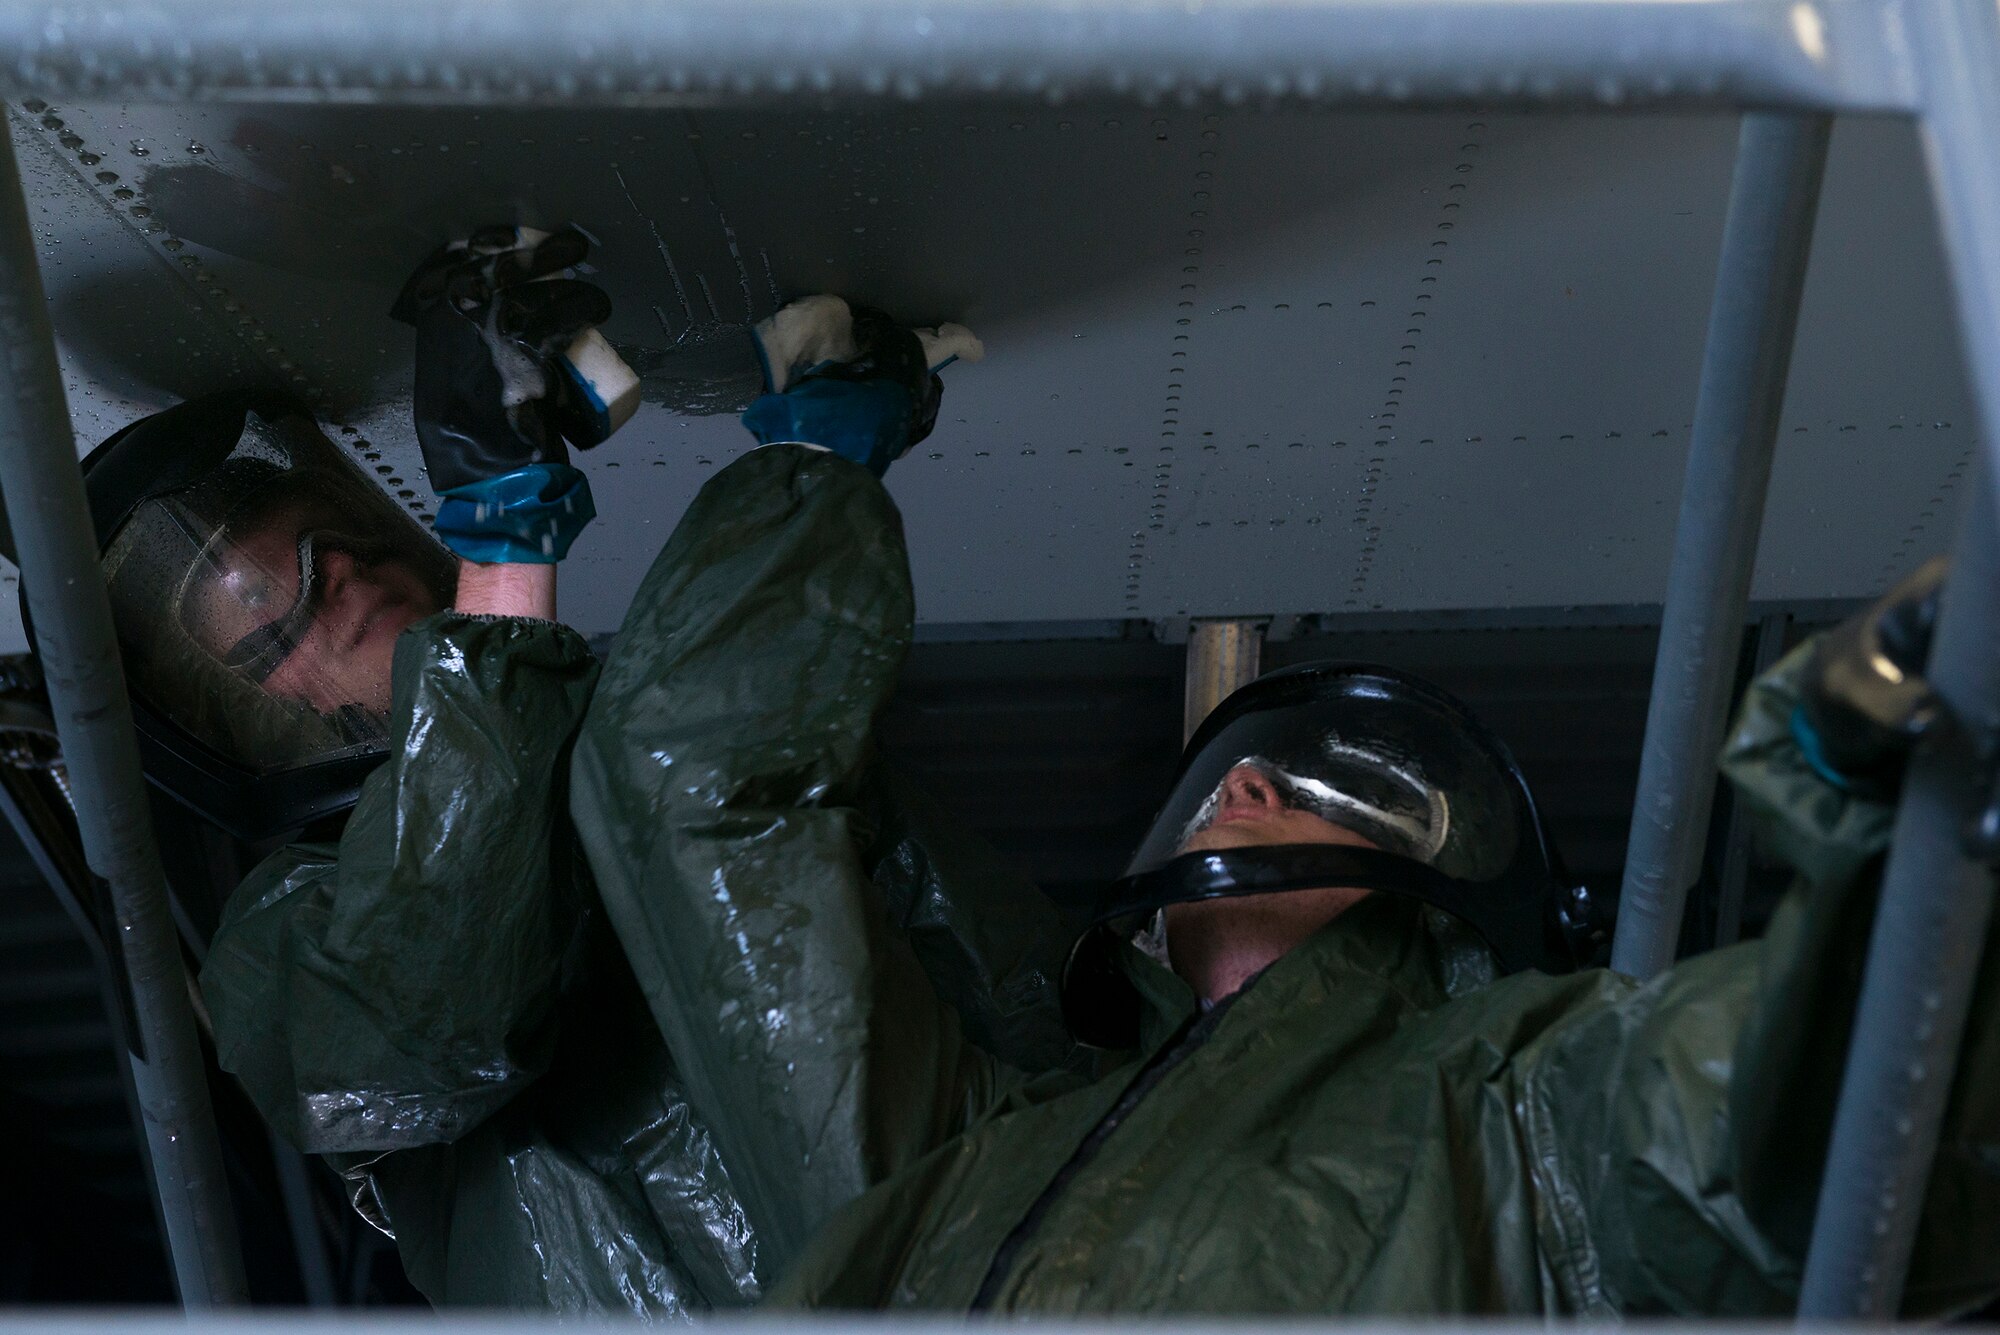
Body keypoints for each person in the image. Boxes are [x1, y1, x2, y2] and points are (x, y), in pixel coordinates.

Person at [559, 418, 2000, 1313]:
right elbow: (693, 793)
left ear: (1458, 917)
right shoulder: (972, 1150)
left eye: (1335, 786)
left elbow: (1800, 1143)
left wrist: (1904, 833)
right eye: (1228, 777)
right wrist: (818, 463)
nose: (1242, 780)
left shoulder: (1512, 1110)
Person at [186, 227, 1066, 1314]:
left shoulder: (620, 737)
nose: (344, 579)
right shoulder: (281, 941)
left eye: (342, 543)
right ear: (237, 705)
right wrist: (506, 536)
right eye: (272, 611)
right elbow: (417, 1014)